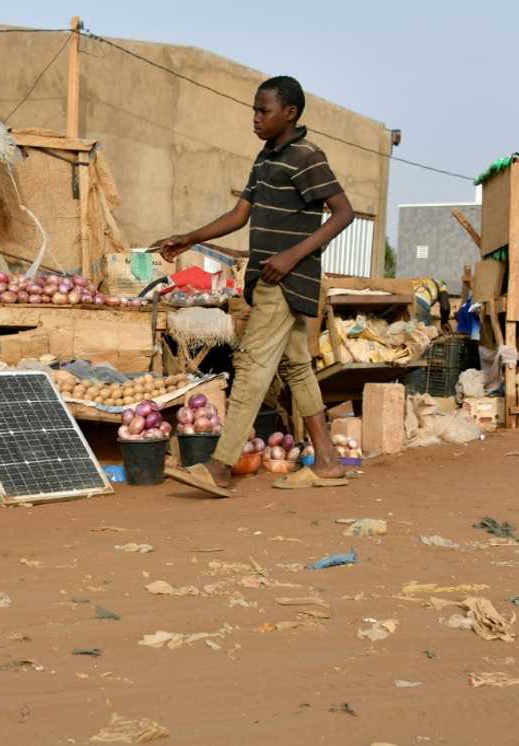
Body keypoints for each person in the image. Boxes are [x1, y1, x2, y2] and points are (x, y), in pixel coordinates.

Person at [153, 75, 354, 496]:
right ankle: (329, 461)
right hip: (265, 277)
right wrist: (190, 237)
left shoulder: (306, 157)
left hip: (287, 279)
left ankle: (220, 466)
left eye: (263, 111)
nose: (255, 119)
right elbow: (240, 214)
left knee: (250, 367)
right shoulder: (266, 159)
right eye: (254, 110)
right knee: (296, 366)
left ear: (290, 113)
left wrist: (292, 255)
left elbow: (343, 213)